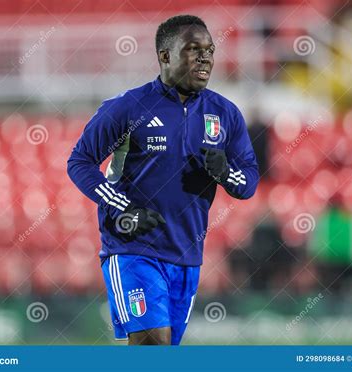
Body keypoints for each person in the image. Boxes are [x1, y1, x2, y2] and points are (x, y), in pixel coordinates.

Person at [67, 15, 259, 345]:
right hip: (132, 249)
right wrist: (122, 207)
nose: (205, 58)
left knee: (164, 350)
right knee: (152, 345)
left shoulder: (225, 114)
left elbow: (249, 183)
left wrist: (225, 172)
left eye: (210, 50)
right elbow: (80, 161)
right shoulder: (128, 107)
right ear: (165, 56)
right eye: (193, 49)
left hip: (187, 255)